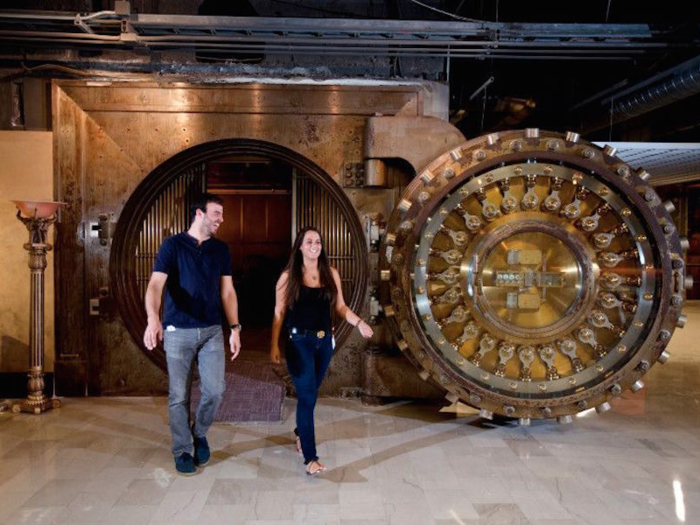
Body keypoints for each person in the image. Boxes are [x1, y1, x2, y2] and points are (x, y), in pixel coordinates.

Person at [143, 192, 241, 475]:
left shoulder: (221, 250)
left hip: (211, 330)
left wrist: (234, 327)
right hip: (178, 331)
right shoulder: (172, 246)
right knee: (178, 396)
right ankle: (182, 449)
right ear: (199, 213)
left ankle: (199, 432)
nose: (221, 219)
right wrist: (153, 319)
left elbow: (228, 291)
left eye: (222, 214)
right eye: (216, 214)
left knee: (215, 390)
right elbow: (155, 285)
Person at [270, 227, 373, 475]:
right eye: (309, 241)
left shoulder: (331, 273)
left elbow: (340, 307)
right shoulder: (288, 277)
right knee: (307, 398)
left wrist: (359, 322)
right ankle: (310, 457)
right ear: (300, 247)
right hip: (298, 343)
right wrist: (273, 344)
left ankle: (299, 432)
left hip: (324, 343)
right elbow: (279, 312)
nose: (315, 245)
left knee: (310, 395)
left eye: (318, 241)